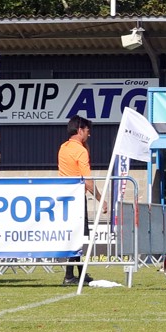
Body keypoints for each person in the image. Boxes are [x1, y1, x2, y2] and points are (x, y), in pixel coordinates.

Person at [58, 115, 103, 286]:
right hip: (77, 197)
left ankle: (79, 273)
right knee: (76, 237)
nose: (88, 135)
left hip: (65, 197)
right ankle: (70, 275)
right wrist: (101, 200)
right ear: (80, 130)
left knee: (74, 236)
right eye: (87, 131)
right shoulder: (80, 151)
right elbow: (88, 181)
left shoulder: (63, 147)